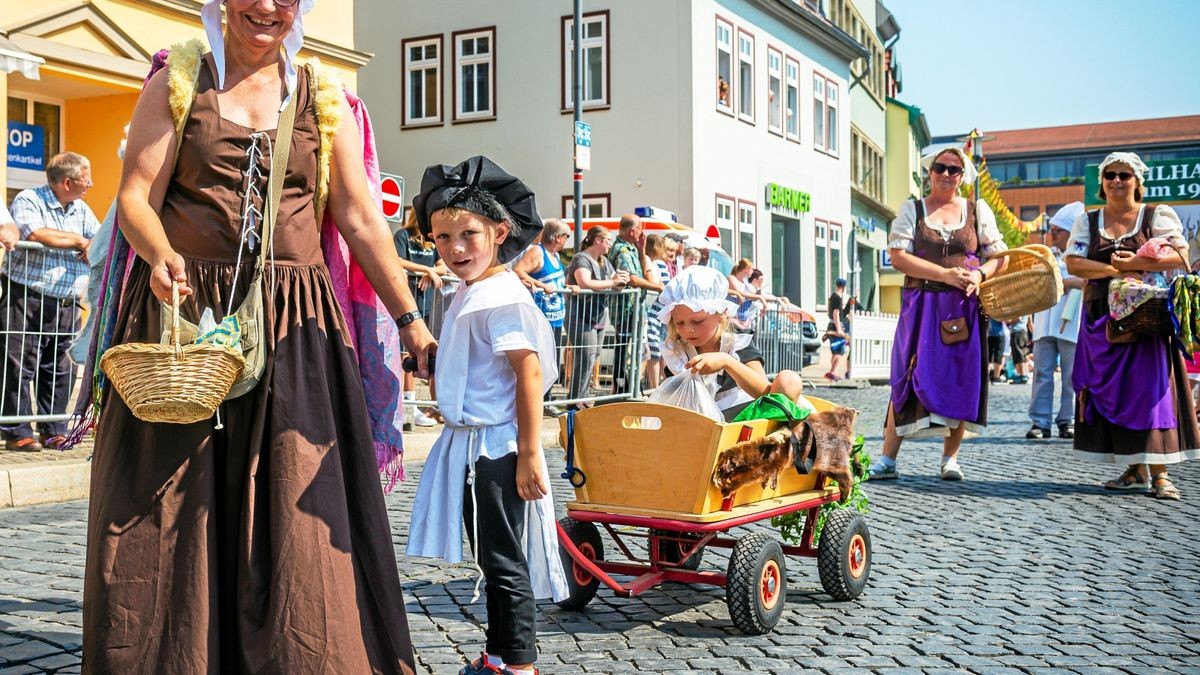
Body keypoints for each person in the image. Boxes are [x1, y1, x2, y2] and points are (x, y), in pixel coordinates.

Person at [84, 1, 435, 670]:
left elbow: (361, 220)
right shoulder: (181, 78)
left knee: (300, 509)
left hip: (294, 332)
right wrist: (159, 254)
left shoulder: (319, 97)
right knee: (169, 513)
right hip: (185, 322)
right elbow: (135, 194)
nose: (267, 6)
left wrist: (411, 319)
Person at [405, 156, 567, 675]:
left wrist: (528, 454)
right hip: (479, 447)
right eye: (442, 237)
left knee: (502, 561)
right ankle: (499, 655)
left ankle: (518, 664)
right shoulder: (473, 291)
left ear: (500, 231)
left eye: (467, 234)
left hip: (496, 449)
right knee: (492, 557)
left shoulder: (501, 297)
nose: (454, 249)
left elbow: (529, 374)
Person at [1063, 151, 1199, 501]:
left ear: (1138, 181)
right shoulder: (1089, 221)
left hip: (1145, 318)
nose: (1117, 181)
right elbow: (1075, 263)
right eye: (1110, 175)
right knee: (1112, 390)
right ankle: (1135, 469)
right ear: (1102, 183)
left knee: (1149, 391)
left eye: (1124, 175)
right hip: (1100, 317)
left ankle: (1161, 473)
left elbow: (1181, 256)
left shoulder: (1155, 215)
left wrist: (1138, 261)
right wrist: (1113, 270)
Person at [869, 147, 1007, 481]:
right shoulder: (912, 210)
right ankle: (888, 459)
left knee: (961, 377)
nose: (946, 174)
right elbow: (898, 256)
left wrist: (979, 275)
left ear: (963, 177)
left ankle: (950, 459)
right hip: (921, 304)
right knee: (906, 374)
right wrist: (944, 274)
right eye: (940, 168)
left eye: (954, 170)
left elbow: (1000, 256)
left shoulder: (976, 211)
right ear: (929, 172)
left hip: (963, 308)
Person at [1, 152, 100, 452]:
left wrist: (88, 243)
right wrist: (79, 242)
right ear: (67, 182)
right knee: (18, 364)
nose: (91, 184)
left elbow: (97, 238)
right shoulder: (29, 199)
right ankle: (17, 430)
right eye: (86, 179)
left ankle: (54, 429)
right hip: (26, 296)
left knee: (61, 367)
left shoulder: (81, 209)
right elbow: (36, 233)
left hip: (67, 302)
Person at [658, 265, 810, 421]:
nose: (688, 330)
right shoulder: (677, 351)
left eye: (697, 321)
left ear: (720, 314)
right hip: (701, 423)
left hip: (747, 417)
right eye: (680, 323)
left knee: (789, 380)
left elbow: (764, 392)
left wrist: (727, 361)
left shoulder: (736, 342)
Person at [1027, 202, 1086, 440]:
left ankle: (1067, 420)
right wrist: (1067, 282)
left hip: (1071, 324)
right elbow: (1038, 282)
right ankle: (1040, 422)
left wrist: (1063, 282)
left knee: (1072, 375)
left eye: (1057, 230)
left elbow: (1084, 282)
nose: (1052, 234)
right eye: (1052, 229)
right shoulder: (1045, 255)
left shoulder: (1082, 255)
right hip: (1044, 323)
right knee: (1042, 374)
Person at [395, 208, 448, 428]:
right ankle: (408, 405)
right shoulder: (403, 236)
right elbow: (395, 260)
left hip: (425, 304)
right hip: (404, 304)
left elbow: (444, 265)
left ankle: (417, 405)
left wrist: (432, 272)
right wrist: (428, 270)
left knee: (422, 353)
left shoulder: (431, 241)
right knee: (406, 354)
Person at [564, 226, 628, 402]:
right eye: (608, 240)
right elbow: (584, 282)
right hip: (580, 316)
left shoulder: (603, 261)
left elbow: (615, 281)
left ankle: (581, 398)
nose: (610, 244)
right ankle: (576, 400)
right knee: (585, 357)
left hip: (598, 316)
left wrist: (623, 280)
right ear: (598, 240)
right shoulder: (581, 258)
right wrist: (612, 281)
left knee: (592, 358)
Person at [514, 218, 570, 410]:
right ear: (556, 237)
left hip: (556, 317)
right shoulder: (538, 252)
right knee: (541, 360)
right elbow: (518, 271)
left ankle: (547, 397)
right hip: (540, 316)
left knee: (552, 359)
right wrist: (539, 284)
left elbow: (556, 284)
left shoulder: (555, 256)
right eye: (566, 236)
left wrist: (571, 288)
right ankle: (539, 400)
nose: (567, 241)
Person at [607, 214, 664, 394]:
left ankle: (629, 387)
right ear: (632, 231)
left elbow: (639, 270)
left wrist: (641, 250)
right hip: (626, 309)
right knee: (624, 351)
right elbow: (633, 279)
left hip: (634, 309)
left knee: (634, 350)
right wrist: (658, 287)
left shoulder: (631, 248)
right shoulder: (622, 251)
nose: (642, 232)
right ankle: (621, 388)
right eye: (640, 228)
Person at [642, 234, 674, 389]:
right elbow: (662, 285)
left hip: (656, 310)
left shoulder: (657, 263)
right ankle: (654, 387)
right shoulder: (656, 263)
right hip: (655, 311)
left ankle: (656, 386)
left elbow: (663, 285)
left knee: (656, 351)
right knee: (654, 351)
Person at [825, 278, 850, 382]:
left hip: (831, 325)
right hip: (835, 326)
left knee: (835, 351)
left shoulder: (832, 297)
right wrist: (839, 329)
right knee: (840, 351)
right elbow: (836, 313)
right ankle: (832, 372)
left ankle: (833, 372)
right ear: (844, 287)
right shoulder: (837, 298)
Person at [1007, 316, 1032, 384]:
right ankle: (1022, 374)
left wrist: (1008, 321)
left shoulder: (1020, 307)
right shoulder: (1029, 308)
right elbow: (1030, 323)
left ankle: (1022, 375)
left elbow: (1018, 317)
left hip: (1017, 331)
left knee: (1018, 353)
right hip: (1023, 331)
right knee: (1021, 353)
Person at [987, 317, 1009, 383]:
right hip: (998, 334)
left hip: (992, 334)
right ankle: (996, 377)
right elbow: (1005, 320)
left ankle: (992, 377)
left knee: (993, 357)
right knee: (996, 356)